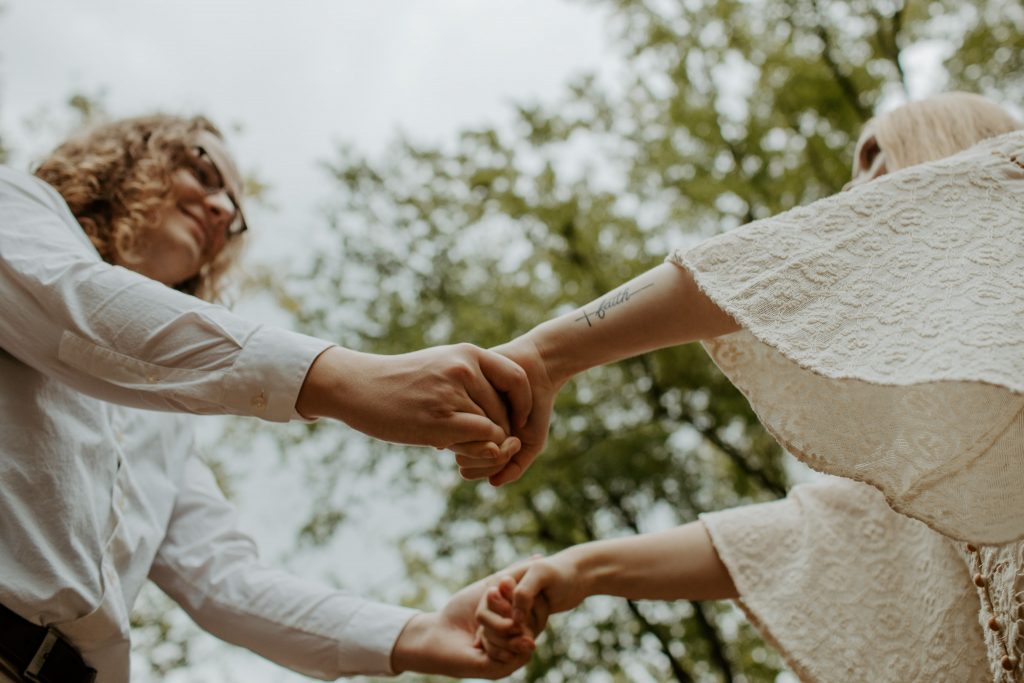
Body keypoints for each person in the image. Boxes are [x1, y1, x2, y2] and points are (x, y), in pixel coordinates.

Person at [470, 92, 1024, 681]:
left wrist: (544, 355)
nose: (850, 192)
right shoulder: (940, 455)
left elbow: (792, 262)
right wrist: (580, 570)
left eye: (873, 158)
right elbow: (798, 541)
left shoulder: (1014, 175)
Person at [0, 114, 533, 682]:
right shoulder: (17, 203)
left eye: (233, 214)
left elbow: (223, 580)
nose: (223, 210)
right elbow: (72, 304)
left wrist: (417, 633)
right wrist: (348, 380)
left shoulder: (167, 425)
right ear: (133, 158)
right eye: (203, 171)